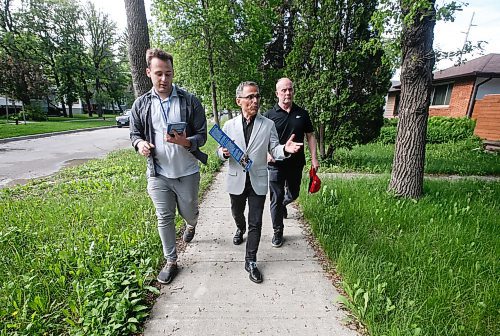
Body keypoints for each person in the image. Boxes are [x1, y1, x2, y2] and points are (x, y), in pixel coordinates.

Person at [130, 48, 208, 285]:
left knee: (190, 212)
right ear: (148, 73)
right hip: (158, 173)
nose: (164, 79)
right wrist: (140, 144)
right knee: (163, 217)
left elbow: (202, 135)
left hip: (187, 172)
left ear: (173, 73)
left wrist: (186, 141)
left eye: (168, 73)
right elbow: (134, 134)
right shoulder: (141, 104)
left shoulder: (189, 101)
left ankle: (191, 224)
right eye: (158, 74)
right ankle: (171, 261)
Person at [217, 81, 303, 283]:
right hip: (236, 180)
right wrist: (222, 153)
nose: (255, 101)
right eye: (250, 97)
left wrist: (285, 150)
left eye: (257, 96)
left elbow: (275, 149)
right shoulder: (229, 126)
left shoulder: (268, 124)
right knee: (238, 213)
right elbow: (219, 151)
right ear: (239, 101)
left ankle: (251, 261)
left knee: (255, 222)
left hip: (258, 180)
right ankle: (239, 228)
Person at [264, 78, 320, 248]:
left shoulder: (302, 113)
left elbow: (310, 135)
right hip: (275, 164)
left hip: (296, 163)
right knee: (276, 197)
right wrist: (267, 153)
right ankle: (277, 231)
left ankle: (283, 205)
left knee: (293, 194)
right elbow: (261, 138)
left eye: (290, 89)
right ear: (277, 93)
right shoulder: (268, 116)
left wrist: (314, 158)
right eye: (284, 90)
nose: (287, 93)